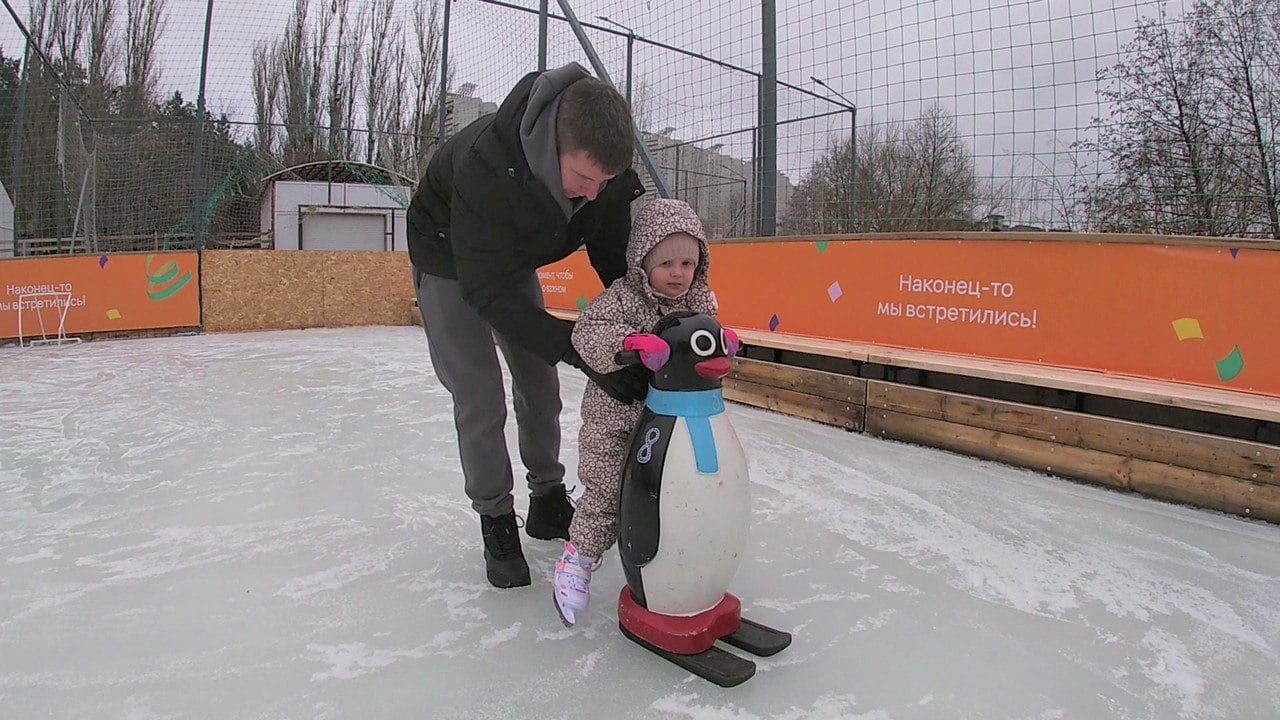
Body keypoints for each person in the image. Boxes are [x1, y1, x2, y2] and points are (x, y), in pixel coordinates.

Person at [405, 62, 650, 589]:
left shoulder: (601, 175)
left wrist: (638, 327)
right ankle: (495, 516)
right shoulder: (486, 165)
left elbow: (613, 259)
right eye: (584, 178)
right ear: (552, 147)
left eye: (604, 182)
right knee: (480, 395)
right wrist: (578, 347)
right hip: (449, 255)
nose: (593, 192)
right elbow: (485, 291)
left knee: (539, 381)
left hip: (507, 260)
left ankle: (546, 497)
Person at [551, 199, 717, 625]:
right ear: (642, 261)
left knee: (678, 493)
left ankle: (673, 565)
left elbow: (706, 343)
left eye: (687, 262)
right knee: (607, 493)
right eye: (666, 263)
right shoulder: (622, 299)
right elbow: (587, 333)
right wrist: (628, 343)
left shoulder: (701, 301)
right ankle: (578, 559)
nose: (678, 273)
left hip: (673, 422)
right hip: (616, 420)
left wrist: (722, 344)